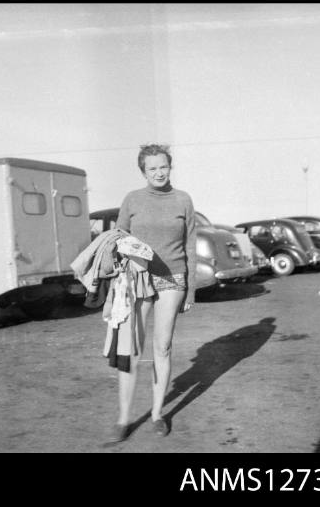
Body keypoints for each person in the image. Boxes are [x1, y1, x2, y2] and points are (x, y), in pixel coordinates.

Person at [111, 143, 196, 441]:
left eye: (163, 167)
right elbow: (118, 237)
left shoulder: (183, 200)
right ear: (143, 171)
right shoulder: (132, 199)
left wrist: (191, 290)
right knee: (132, 348)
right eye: (152, 168)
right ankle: (123, 419)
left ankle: (158, 414)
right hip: (138, 278)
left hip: (173, 278)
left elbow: (189, 247)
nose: (159, 173)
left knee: (163, 347)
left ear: (170, 167)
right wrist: (125, 257)